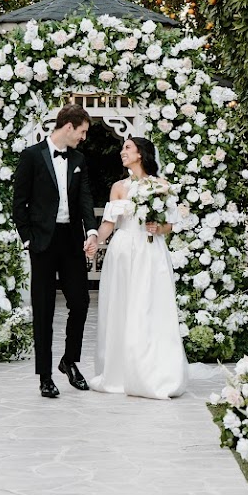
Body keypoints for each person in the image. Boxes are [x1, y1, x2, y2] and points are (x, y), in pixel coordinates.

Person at [88, 136, 189, 400]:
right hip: (123, 251)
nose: (122, 152)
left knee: (149, 307)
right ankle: (120, 372)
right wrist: (95, 241)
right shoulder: (119, 187)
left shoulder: (161, 186)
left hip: (150, 252)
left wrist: (160, 228)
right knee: (122, 307)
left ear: (141, 154)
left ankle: (153, 370)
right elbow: (110, 223)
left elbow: (171, 224)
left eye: (127, 148)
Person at [11, 104, 100, 399]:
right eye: (83, 131)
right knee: (45, 309)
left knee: (81, 301)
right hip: (43, 243)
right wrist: (28, 240)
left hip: (71, 241)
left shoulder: (79, 159)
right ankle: (45, 376)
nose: (84, 137)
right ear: (69, 127)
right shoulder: (31, 156)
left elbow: (85, 198)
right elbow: (18, 203)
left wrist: (91, 231)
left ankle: (69, 361)